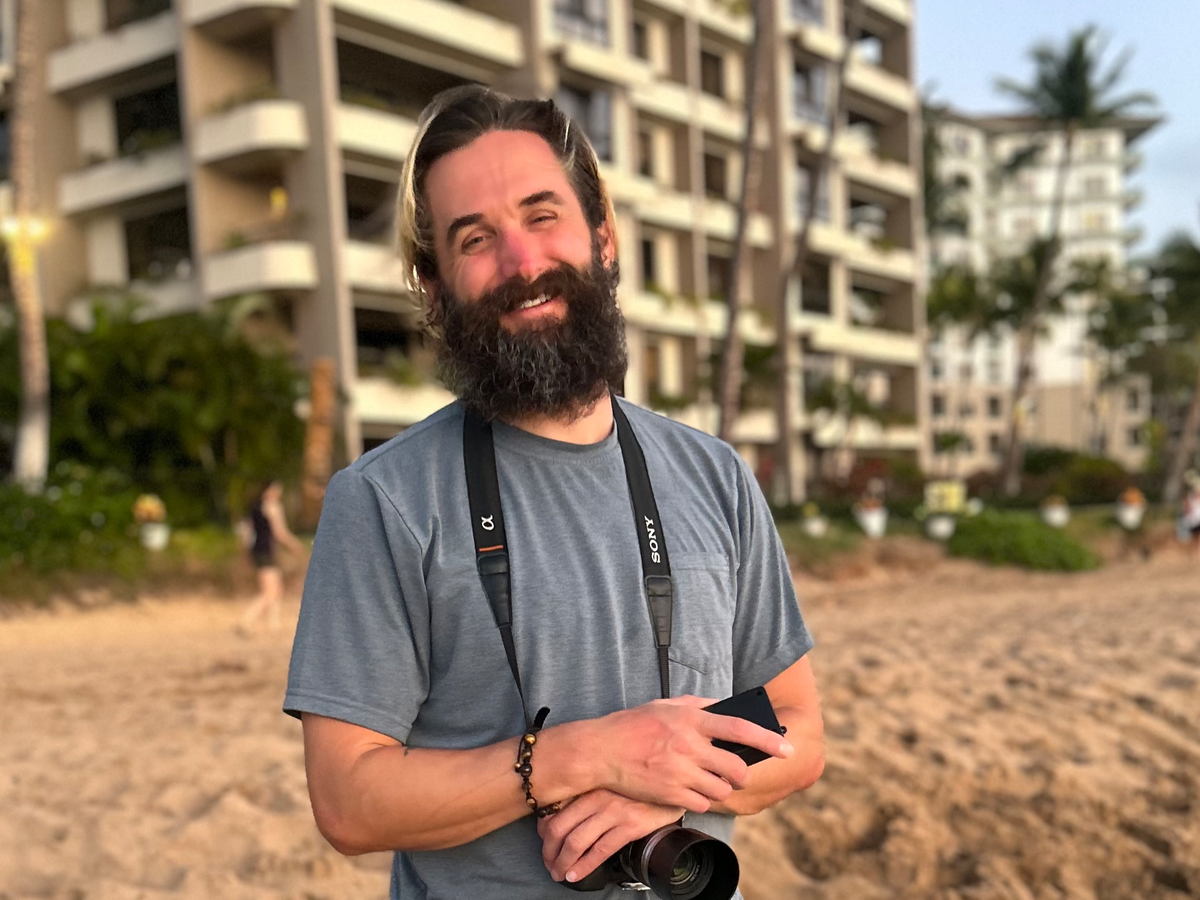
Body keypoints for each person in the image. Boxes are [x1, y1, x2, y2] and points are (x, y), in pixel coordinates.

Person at [284, 85, 824, 899]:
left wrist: (664, 787)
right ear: (434, 286)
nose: (524, 263)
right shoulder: (384, 499)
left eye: (544, 216)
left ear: (603, 237)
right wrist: (584, 757)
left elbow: (802, 732)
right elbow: (347, 801)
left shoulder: (715, 475)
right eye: (476, 239)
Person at [239, 480, 304, 633]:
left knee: (277, 589)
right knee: (269, 592)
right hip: (266, 551)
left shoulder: (255, 509)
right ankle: (246, 621)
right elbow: (279, 532)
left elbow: (246, 533)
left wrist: (244, 554)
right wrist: (294, 545)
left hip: (258, 551)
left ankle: (273, 624)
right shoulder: (273, 507)